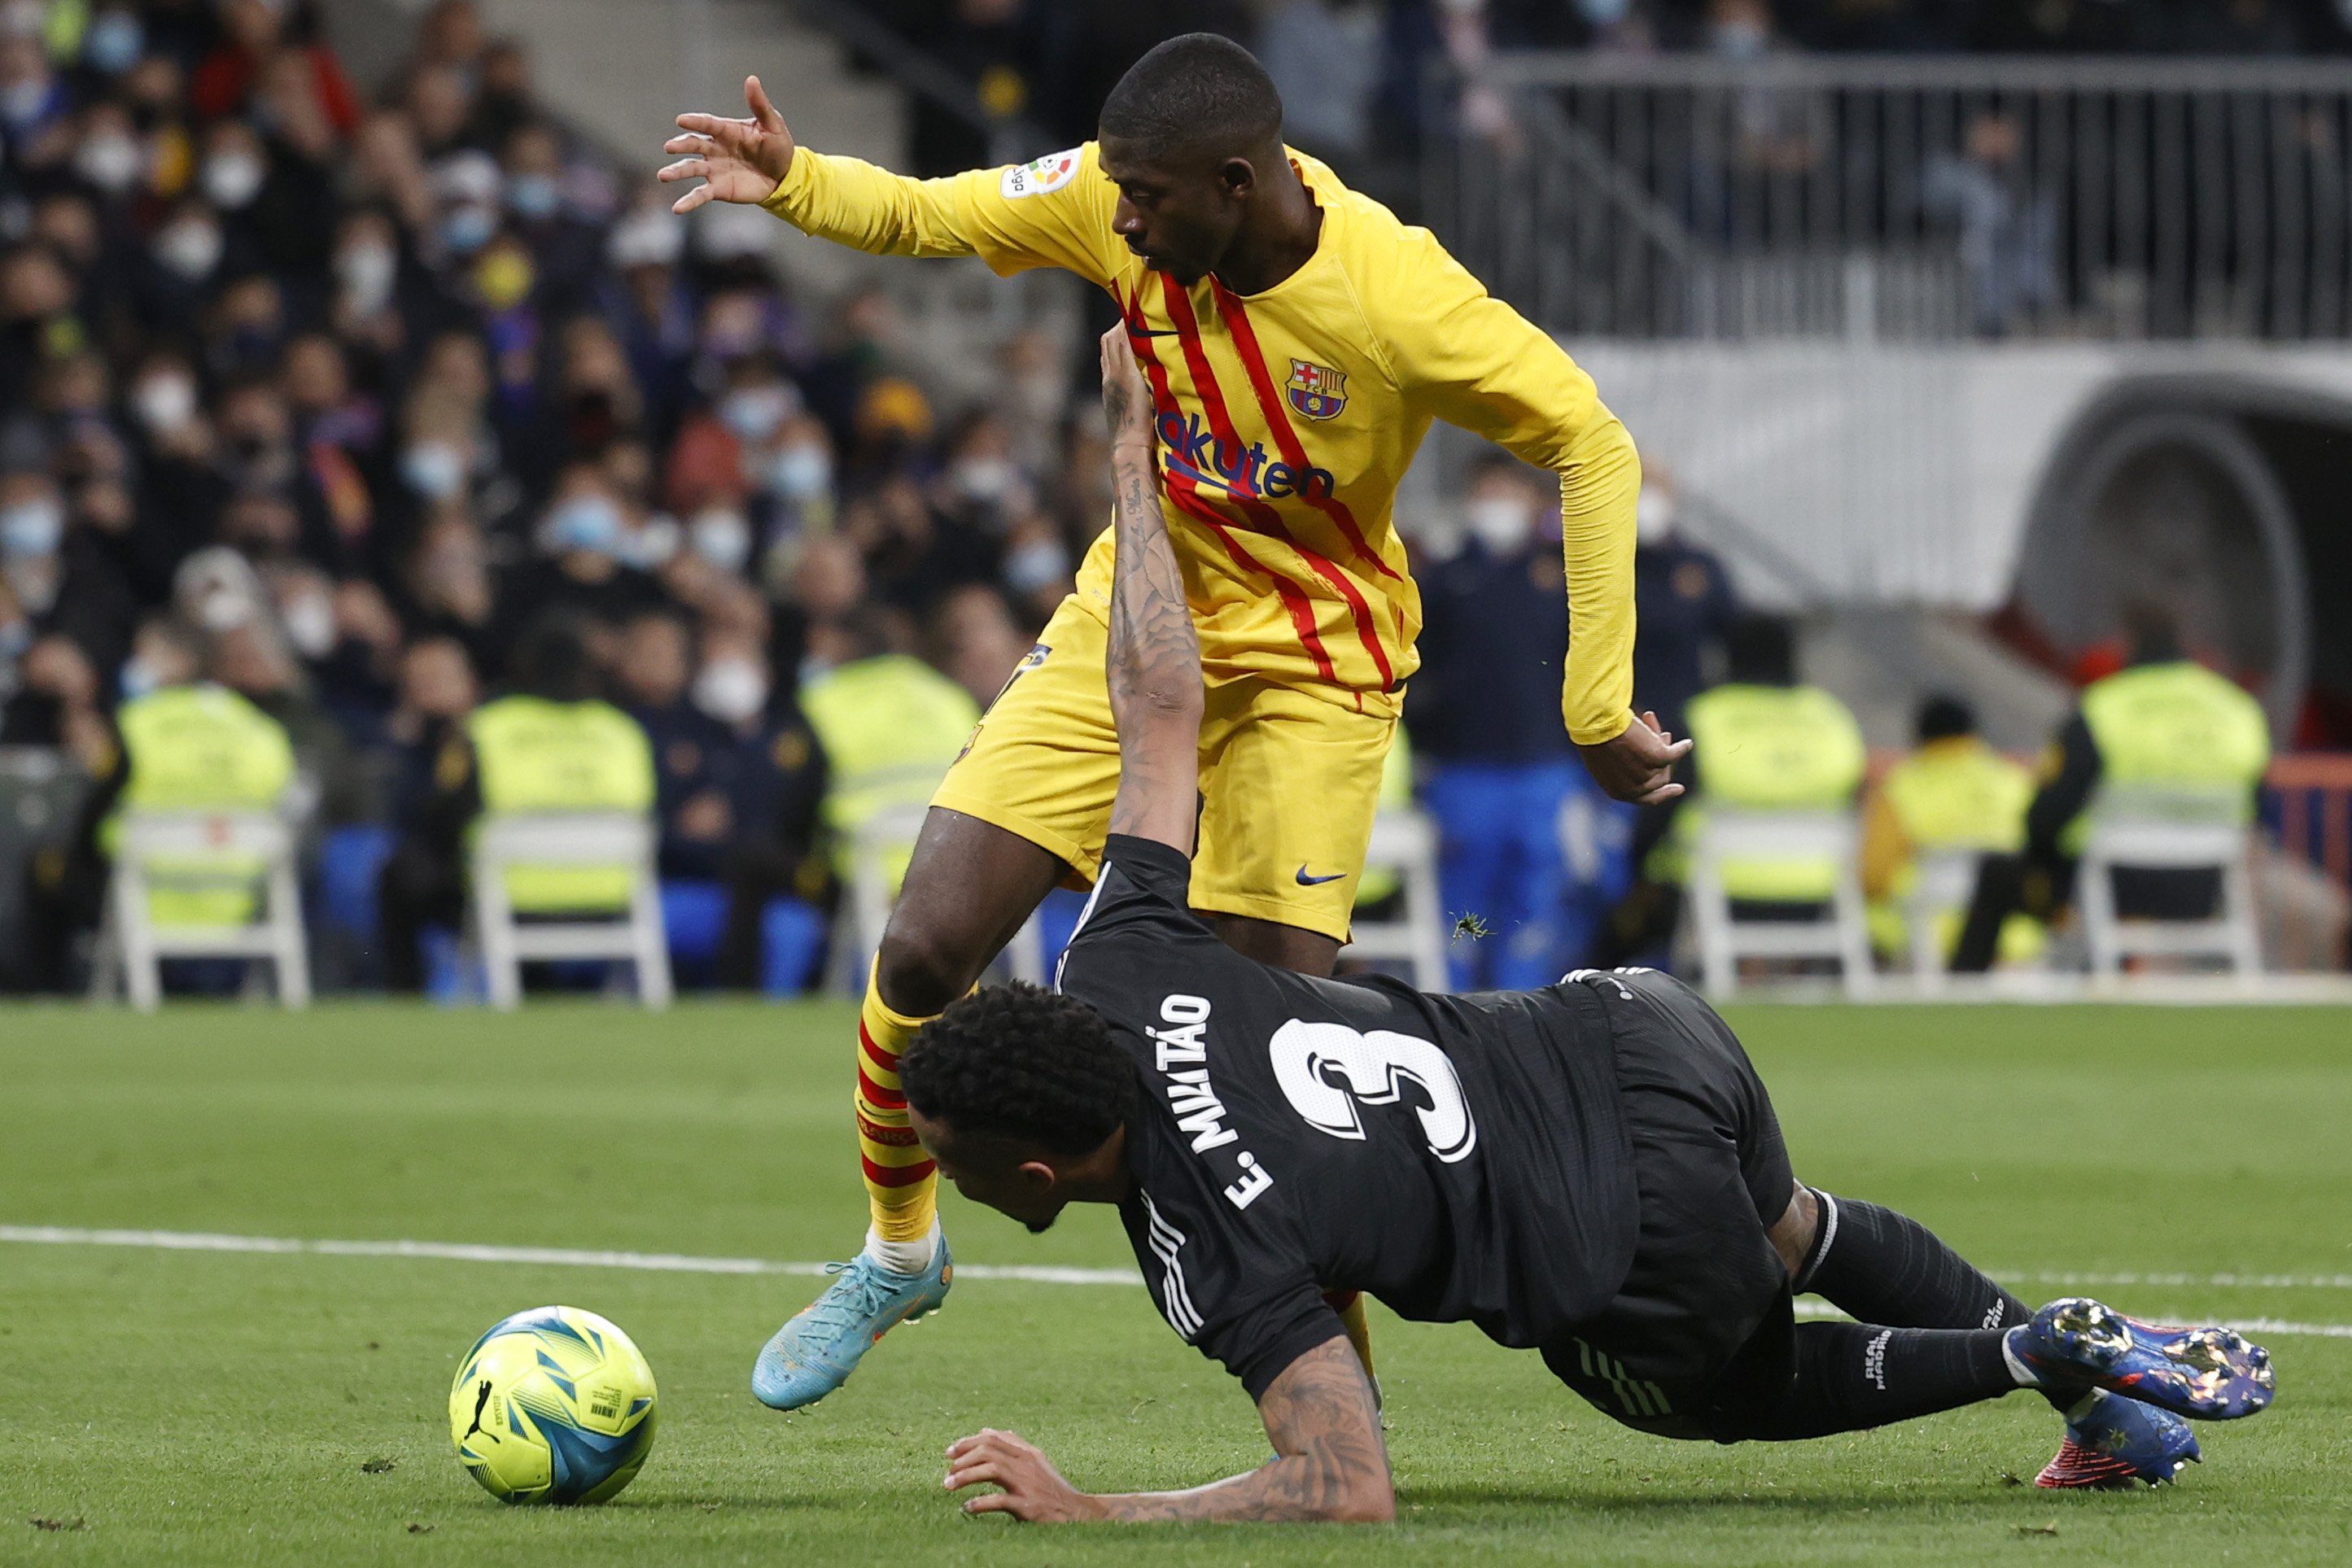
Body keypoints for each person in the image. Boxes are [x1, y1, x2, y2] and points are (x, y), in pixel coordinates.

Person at [890, 327, 2275, 1523]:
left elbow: (1343, 1480)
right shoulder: (1119, 950)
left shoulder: (1203, 1236)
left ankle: (2039, 1356)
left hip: (1626, 1222)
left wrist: (1092, 1502)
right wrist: (1133, 461)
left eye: (950, 1165)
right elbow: (1160, 701)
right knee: (1788, 1228)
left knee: (1708, 1388)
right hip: (1640, 1025)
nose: (949, 1178)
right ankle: (2099, 1408)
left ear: (1029, 1174)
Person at [662, 32, 1683, 1410]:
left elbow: (1590, 440)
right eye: (1118, 196)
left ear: (1239, 180)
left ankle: (1340, 1414)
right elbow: (936, 210)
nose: (1121, 221)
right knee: (924, 941)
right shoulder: (1117, 194)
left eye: (1148, 200)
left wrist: (1595, 699)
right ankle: (900, 1248)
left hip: (1311, 673)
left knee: (1270, 1056)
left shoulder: (1398, 296)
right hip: (1127, 624)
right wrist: (795, 181)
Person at [1949, 610, 2271, 974]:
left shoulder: (2105, 708)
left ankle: (1959, 994)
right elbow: (2254, 808)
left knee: (1999, 874)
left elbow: (2046, 817)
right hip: (2203, 890)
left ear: (2127, 651)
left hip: (2113, 883)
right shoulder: (2240, 712)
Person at [1412, 454, 1628, 987]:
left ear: (1533, 501)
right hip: (1466, 768)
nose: (1497, 503)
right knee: (1462, 904)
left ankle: (1524, 1005)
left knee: (1538, 896)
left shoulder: (1565, 575)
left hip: (1545, 769)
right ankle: (1454, 1006)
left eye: (1508, 491)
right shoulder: (1444, 577)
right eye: (1487, 491)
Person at [1861, 695, 2039, 967]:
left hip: (1922, 939)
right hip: (2010, 938)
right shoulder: (2015, 783)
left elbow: (1874, 876)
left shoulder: (1901, 788)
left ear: (1919, 737)